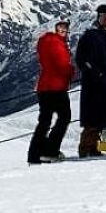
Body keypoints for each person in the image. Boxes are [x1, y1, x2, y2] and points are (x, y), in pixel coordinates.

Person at [74, 5, 106, 157]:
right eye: (103, 15)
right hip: (94, 85)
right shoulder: (90, 36)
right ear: (98, 17)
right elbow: (81, 59)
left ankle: (94, 148)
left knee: (104, 119)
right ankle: (85, 149)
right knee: (92, 119)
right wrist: (94, 73)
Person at [27, 19, 75, 164]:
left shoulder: (43, 42)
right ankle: (50, 150)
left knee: (44, 121)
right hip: (57, 87)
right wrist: (72, 71)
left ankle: (34, 153)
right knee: (64, 117)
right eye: (62, 29)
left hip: (43, 87)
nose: (64, 32)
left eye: (65, 29)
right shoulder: (58, 44)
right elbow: (63, 66)